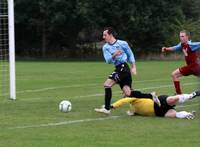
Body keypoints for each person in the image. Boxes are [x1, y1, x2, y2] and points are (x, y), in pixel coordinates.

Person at [95, 27, 137, 114]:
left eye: (105, 35)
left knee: (107, 84)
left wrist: (134, 67)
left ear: (110, 35)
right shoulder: (105, 47)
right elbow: (108, 61)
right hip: (119, 68)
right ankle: (146, 100)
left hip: (123, 67)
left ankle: (107, 109)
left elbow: (130, 54)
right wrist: (114, 55)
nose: (103, 37)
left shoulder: (123, 43)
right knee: (128, 93)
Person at [110, 90, 200, 119]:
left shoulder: (133, 96)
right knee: (174, 114)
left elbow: (122, 101)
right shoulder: (132, 106)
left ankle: (192, 95)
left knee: (174, 99)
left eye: (124, 94)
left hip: (158, 103)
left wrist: (112, 106)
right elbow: (138, 112)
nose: (124, 95)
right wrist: (132, 113)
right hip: (158, 113)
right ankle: (188, 114)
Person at [162, 30, 200, 94]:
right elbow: (175, 48)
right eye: (180, 36)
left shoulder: (190, 45)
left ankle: (179, 95)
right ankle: (179, 94)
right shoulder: (182, 44)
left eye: (182, 36)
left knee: (174, 74)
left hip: (194, 67)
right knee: (174, 75)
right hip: (192, 67)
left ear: (187, 37)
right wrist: (166, 49)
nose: (181, 38)